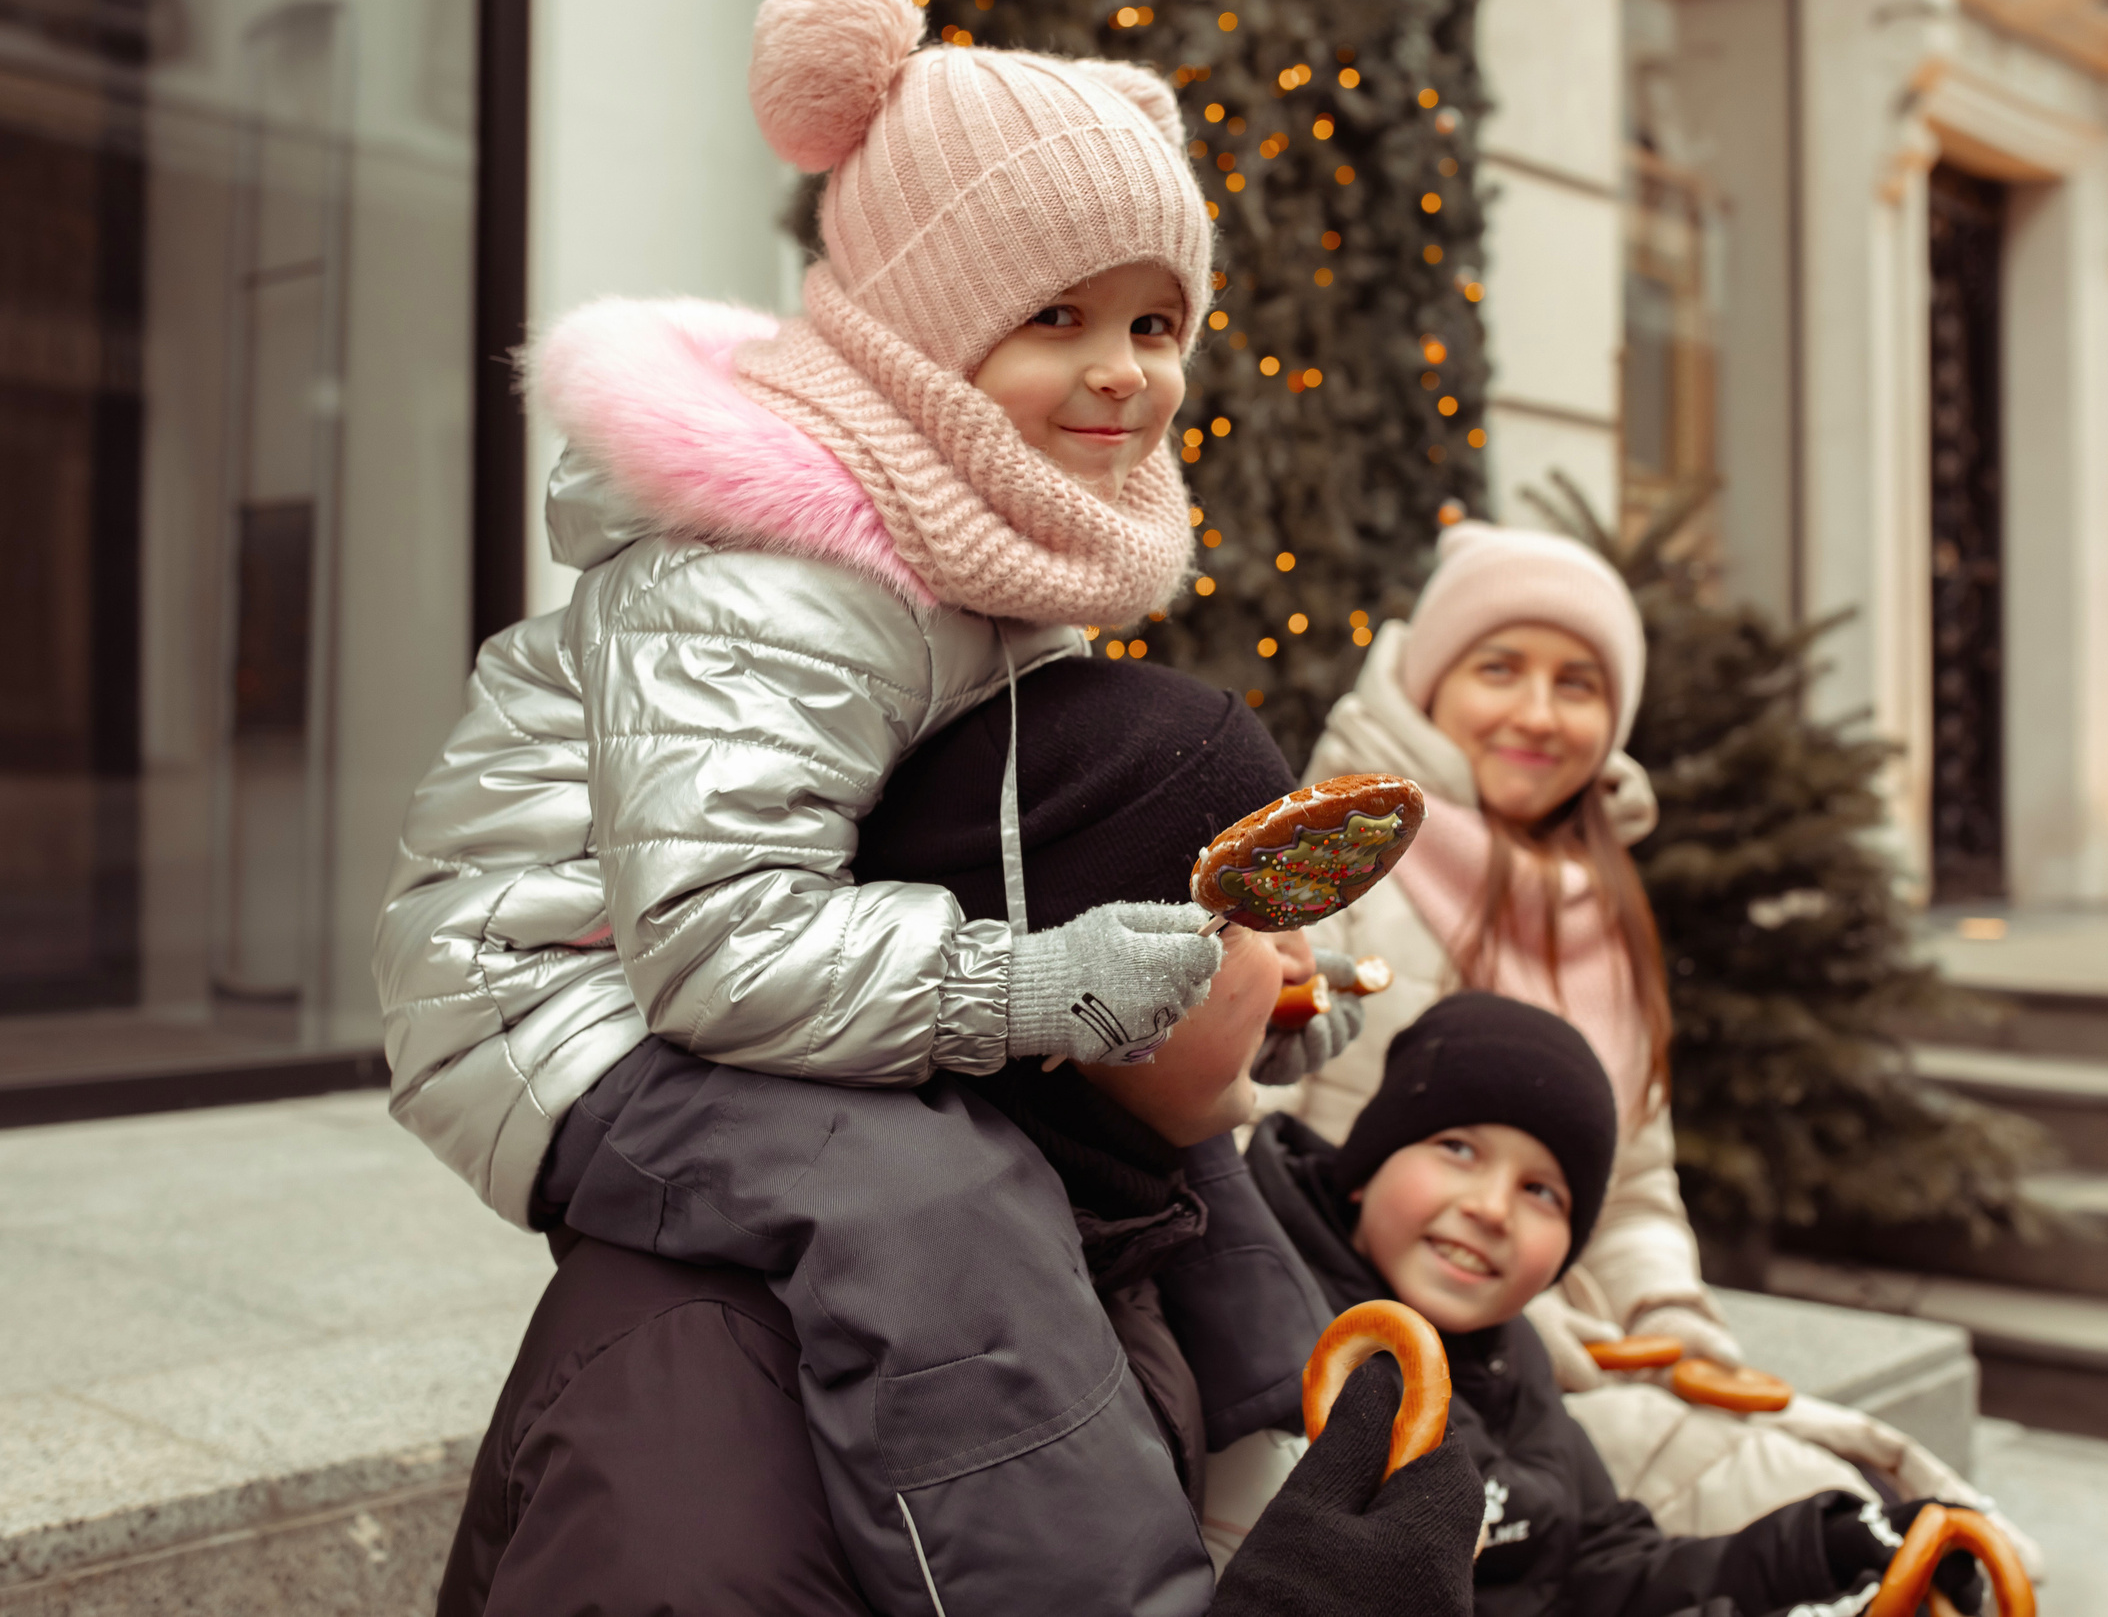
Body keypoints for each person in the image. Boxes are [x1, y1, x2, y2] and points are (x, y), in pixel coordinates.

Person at [378, 0, 1352, 1616]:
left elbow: (993, 822)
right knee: (928, 1194)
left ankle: (1330, 1488)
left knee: (1201, 1170)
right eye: (1056, 316)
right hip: (568, 995)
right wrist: (1041, 982)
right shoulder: (786, 560)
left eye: (1153, 320)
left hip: (751, 947)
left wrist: (1213, 997)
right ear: (927, 318)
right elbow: (707, 937)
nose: (1124, 373)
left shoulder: (982, 514)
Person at [439, 658, 1483, 1617]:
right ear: (1080, 979)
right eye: (1253, 913)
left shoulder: (1121, 1244)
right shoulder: (698, 1372)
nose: (1304, 963)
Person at [1272, 520, 2030, 1550]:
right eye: (1500, 669)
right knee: (1818, 1522)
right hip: (1384, 1337)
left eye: (1577, 684)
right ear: (1425, 684)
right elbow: (1249, 1141)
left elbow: (1630, 1181)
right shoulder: (1325, 862)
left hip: (1562, 1340)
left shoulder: (1601, 908)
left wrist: (1671, 1315)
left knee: (1875, 1522)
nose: (1537, 714)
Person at [1241, 992, 1986, 1617]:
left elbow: (1601, 1562)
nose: (1493, 1208)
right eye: (1458, 1148)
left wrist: (1824, 1548)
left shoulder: (1514, 1350)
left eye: (1542, 1191)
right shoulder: (1284, 1327)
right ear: (1367, 1166)